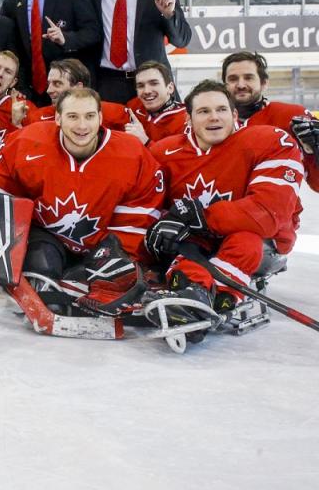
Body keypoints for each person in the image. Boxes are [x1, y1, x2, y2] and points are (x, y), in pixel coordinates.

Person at [0, 87, 164, 314]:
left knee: (112, 275)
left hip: (102, 245)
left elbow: (142, 210)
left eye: (89, 116)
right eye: (73, 116)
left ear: (100, 118)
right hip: (47, 238)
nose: (82, 126)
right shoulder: (28, 141)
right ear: (58, 118)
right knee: (43, 267)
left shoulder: (132, 154)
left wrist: (118, 256)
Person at [148, 81, 303, 326]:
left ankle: (219, 296)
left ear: (233, 114)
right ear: (188, 119)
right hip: (197, 240)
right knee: (184, 245)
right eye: (203, 111)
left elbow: (268, 213)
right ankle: (192, 293)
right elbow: (149, 205)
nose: (214, 118)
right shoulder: (163, 152)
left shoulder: (268, 141)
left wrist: (202, 217)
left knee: (246, 241)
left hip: (260, 241)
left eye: (221, 110)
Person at [0, 0, 100, 105]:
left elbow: (93, 33)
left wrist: (66, 39)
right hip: (30, 93)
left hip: (69, 90)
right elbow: (9, 48)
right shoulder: (11, 4)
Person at [222, 51, 319, 192]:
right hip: (224, 210)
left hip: (278, 211)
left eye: (249, 78)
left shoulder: (290, 116)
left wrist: (313, 151)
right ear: (224, 85)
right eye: (233, 79)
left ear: (264, 83)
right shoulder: (212, 121)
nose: (240, 84)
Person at [21, 58, 129, 133]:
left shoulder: (115, 114)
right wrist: (16, 124)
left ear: (78, 87)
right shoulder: (37, 118)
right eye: (49, 84)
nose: (49, 90)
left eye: (57, 84)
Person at [124, 61, 187, 144]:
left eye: (154, 83)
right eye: (141, 86)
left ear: (170, 88)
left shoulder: (186, 120)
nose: (146, 91)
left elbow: (178, 156)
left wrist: (145, 141)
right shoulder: (135, 105)